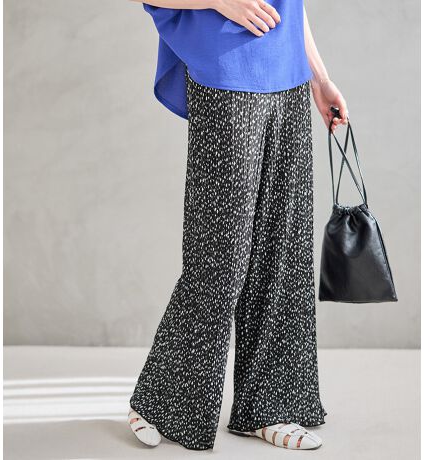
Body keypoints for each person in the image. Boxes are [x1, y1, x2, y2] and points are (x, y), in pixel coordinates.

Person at [128, 0, 348, 451]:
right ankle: (161, 402)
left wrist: (319, 77)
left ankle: (269, 408)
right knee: (220, 256)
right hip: (226, 71)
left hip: (289, 75)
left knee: (281, 253)